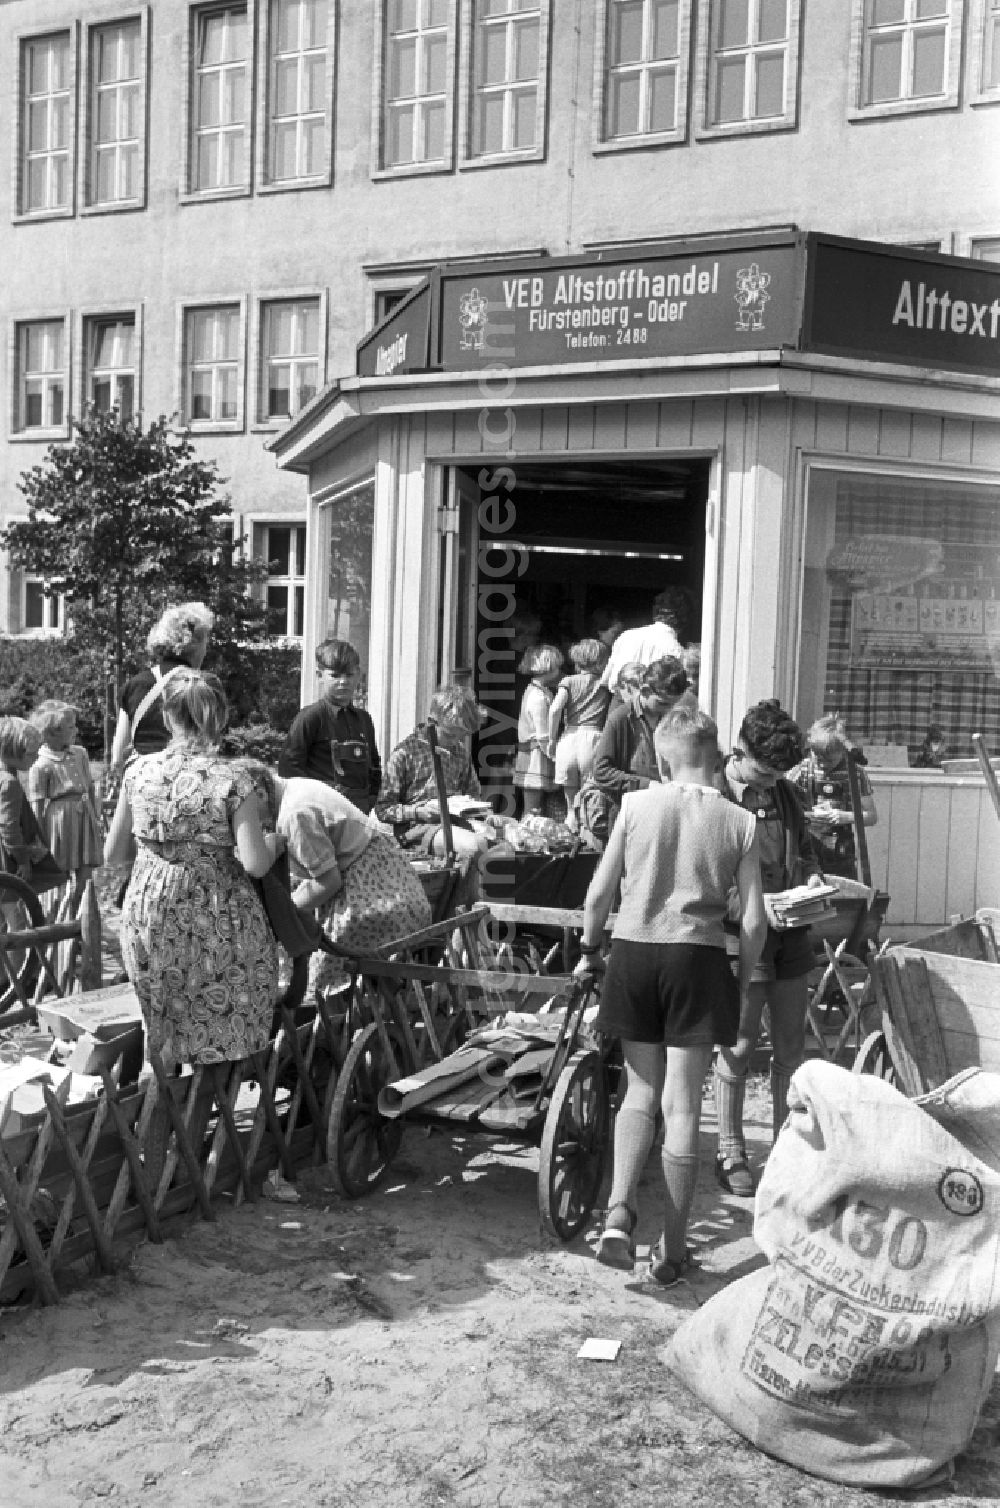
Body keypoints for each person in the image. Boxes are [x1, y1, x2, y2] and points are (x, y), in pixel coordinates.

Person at [578, 706, 766, 1285]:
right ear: (715, 757)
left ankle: (618, 1213)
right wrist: (740, 980)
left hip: (635, 951)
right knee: (682, 1107)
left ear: (661, 757)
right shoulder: (742, 822)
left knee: (638, 1093)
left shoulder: (634, 805)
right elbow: (755, 921)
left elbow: (598, 895)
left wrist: (591, 951)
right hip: (697, 956)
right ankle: (674, 1248)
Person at [104, 671, 282, 1068]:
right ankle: (210, 1110)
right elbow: (254, 862)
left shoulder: (138, 772)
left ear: (167, 718)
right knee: (221, 1021)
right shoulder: (233, 779)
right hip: (216, 915)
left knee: (164, 1020)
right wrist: (276, 843)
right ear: (220, 717)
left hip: (148, 912)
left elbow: (114, 853)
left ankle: (166, 1109)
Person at [713, 699, 826, 1196]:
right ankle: (730, 1151)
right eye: (762, 773)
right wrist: (754, 906)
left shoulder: (785, 793)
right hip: (742, 937)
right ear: (741, 751)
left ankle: (786, 1148)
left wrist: (812, 877)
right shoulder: (715, 795)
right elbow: (708, 878)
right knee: (737, 1046)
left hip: (790, 936)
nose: (768, 783)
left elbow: (802, 850)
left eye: (778, 774)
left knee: (790, 1047)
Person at [251, 767, 431, 1003]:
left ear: (260, 793)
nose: (250, 822)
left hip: (375, 901)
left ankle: (318, 1019)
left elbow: (329, 882)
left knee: (309, 954)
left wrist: (282, 915)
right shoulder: (293, 786)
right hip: (396, 887)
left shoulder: (294, 813)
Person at [376, 684, 489, 860]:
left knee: (502, 842)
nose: (456, 742)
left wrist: (482, 815)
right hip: (416, 829)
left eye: (462, 736)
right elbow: (383, 809)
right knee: (473, 846)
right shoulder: (405, 754)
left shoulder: (460, 753)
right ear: (431, 722)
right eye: (450, 735)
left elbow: (473, 795)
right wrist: (418, 812)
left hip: (455, 823)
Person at [278, 638, 381, 814]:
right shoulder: (310, 717)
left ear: (358, 675)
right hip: (322, 815)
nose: (343, 682)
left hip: (360, 816)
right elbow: (289, 770)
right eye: (335, 675)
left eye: (349, 675)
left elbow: (374, 769)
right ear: (320, 675)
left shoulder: (364, 720)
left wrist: (372, 801)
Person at [110, 602, 214, 767]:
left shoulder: (135, 685)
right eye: (205, 643)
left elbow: (118, 757)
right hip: (187, 779)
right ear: (195, 644)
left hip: (144, 782)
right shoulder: (202, 686)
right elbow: (210, 744)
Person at [27, 700, 102, 903]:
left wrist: (96, 815)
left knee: (85, 874)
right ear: (52, 733)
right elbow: (37, 805)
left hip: (83, 817)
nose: (76, 730)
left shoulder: (80, 754)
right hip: (59, 823)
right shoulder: (40, 764)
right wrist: (39, 839)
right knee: (60, 875)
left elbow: (91, 787)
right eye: (71, 727)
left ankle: (80, 916)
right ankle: (60, 919)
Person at [789, 713, 877, 880]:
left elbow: (871, 817)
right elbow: (786, 806)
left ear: (843, 752)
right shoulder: (803, 770)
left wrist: (846, 816)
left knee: (842, 895)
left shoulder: (855, 774)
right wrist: (808, 816)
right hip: (808, 844)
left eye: (829, 760)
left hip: (840, 848)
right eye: (818, 757)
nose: (822, 764)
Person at [546, 639, 611, 830]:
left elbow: (555, 709)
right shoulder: (604, 684)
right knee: (589, 789)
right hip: (593, 738)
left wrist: (551, 739)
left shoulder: (568, 682)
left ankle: (571, 819)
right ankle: (587, 830)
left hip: (569, 737)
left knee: (570, 790)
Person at [0, 717, 63, 895]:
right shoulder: (9, 782)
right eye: (31, 753)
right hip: (8, 860)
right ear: (12, 751)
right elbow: (8, 827)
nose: (37, 757)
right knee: (15, 916)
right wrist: (22, 859)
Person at [601, 587, 692, 696]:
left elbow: (606, 680)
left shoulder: (627, 636)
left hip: (619, 700)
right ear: (685, 619)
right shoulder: (675, 650)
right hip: (653, 706)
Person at [514, 644, 564, 815]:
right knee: (532, 810)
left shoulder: (539, 692)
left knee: (535, 809)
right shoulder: (538, 697)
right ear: (548, 668)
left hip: (537, 755)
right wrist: (556, 757)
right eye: (557, 667)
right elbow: (543, 735)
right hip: (536, 758)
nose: (559, 671)